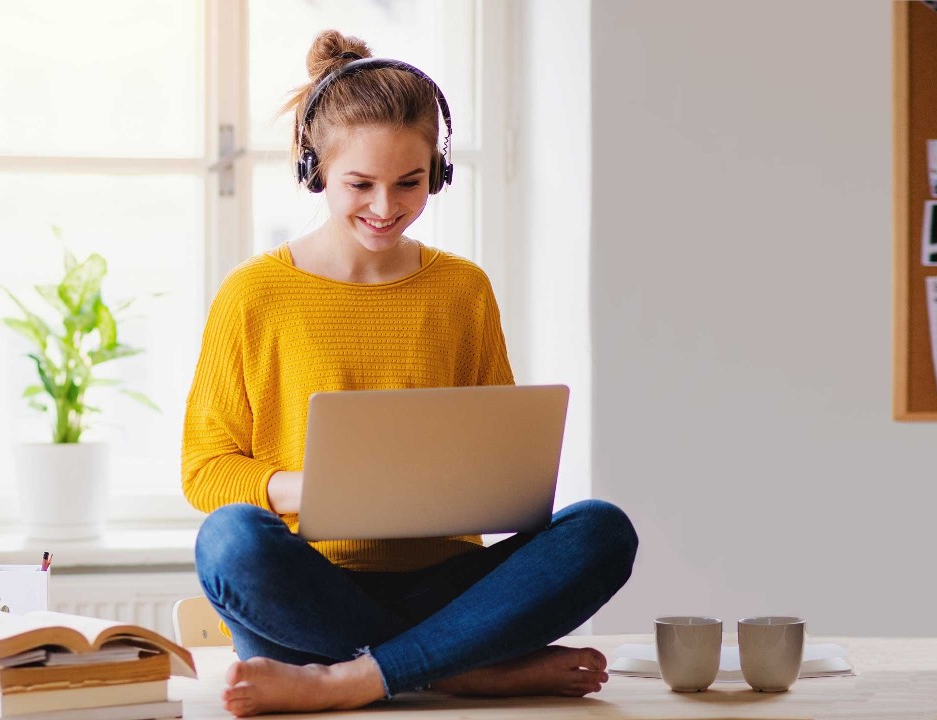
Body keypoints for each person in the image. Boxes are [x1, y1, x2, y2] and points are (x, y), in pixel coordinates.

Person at [181, 30, 638, 718]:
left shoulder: (463, 290)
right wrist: (310, 488)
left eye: (410, 183)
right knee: (230, 541)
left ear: (439, 171)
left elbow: (500, 458)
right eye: (359, 184)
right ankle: (461, 670)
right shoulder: (255, 294)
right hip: (309, 593)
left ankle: (358, 677)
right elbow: (204, 470)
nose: (386, 207)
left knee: (603, 531)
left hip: (447, 587)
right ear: (315, 171)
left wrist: (481, 486)